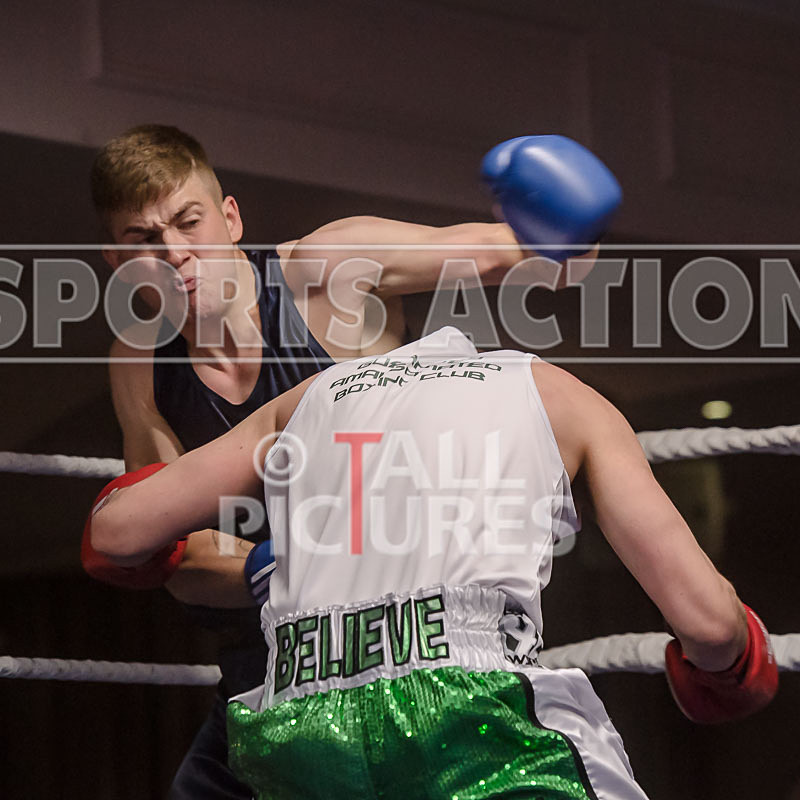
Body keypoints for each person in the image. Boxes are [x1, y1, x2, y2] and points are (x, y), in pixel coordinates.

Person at [82, 125, 621, 796]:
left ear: (229, 218)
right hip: (268, 668)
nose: (175, 254)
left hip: (412, 648)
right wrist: (271, 569)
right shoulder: (139, 361)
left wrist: (567, 230)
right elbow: (175, 558)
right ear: (116, 261)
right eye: (145, 242)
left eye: (189, 222)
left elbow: (524, 257)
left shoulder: (326, 270)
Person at [89, 326, 778, 800]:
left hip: (296, 725)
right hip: (474, 713)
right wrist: (734, 669)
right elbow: (710, 625)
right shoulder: (563, 396)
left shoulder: (309, 399)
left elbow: (117, 531)